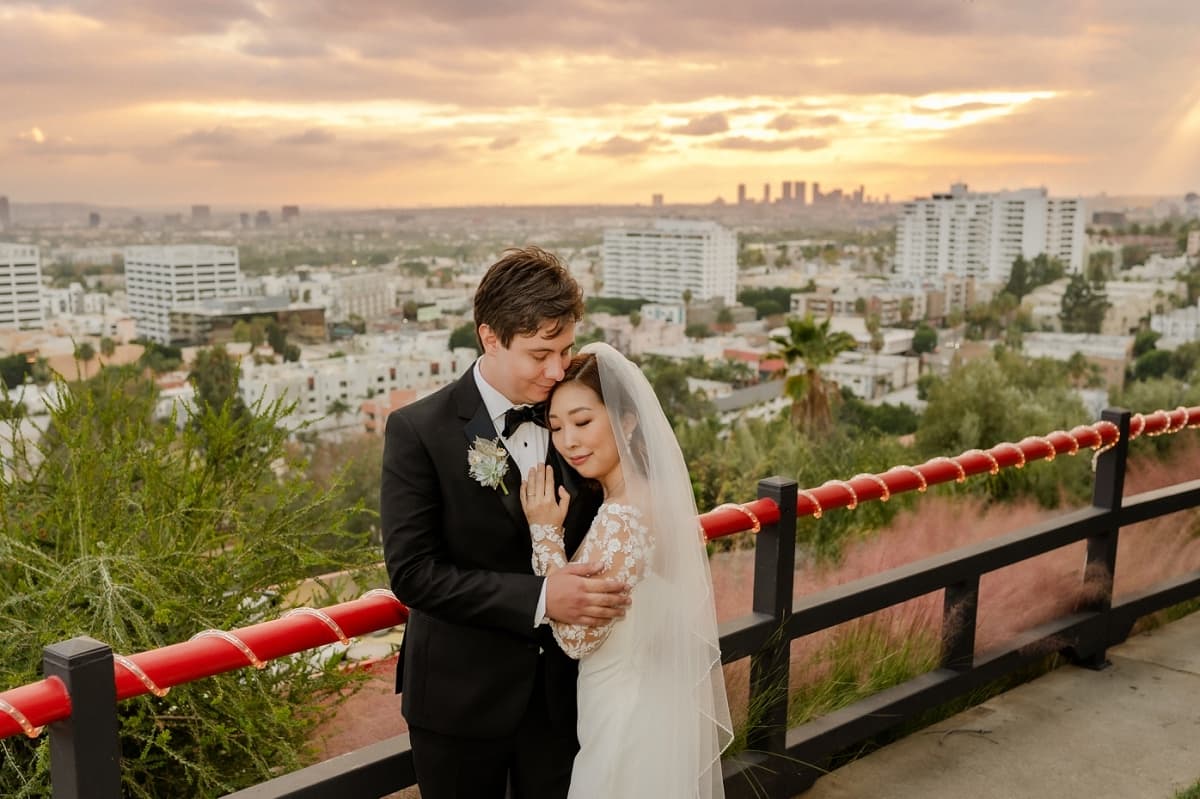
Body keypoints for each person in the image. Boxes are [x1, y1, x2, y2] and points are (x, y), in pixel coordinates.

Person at [381, 247, 631, 799]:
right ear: (490, 338)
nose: (557, 369)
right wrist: (542, 599)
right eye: (540, 354)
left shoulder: (576, 412)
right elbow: (414, 574)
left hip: (565, 697)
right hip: (458, 702)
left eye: (565, 350)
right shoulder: (418, 431)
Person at [520, 342, 733, 799]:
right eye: (556, 427)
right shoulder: (658, 498)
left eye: (582, 421)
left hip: (624, 713)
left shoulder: (622, 517)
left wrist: (544, 534)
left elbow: (577, 639)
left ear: (627, 419)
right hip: (656, 703)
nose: (568, 441)